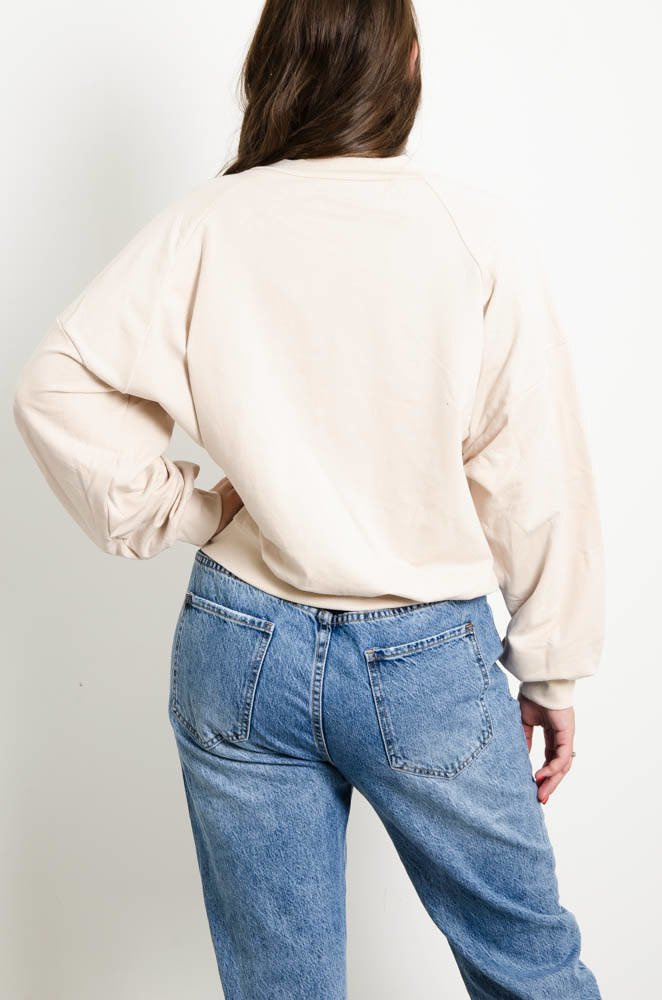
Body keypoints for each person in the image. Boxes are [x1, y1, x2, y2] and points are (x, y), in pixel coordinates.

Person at [12, 0, 605, 997]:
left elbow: (54, 386)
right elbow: (533, 467)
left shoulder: (210, 222)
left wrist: (195, 513)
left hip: (239, 642)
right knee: (528, 970)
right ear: (406, 62)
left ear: (276, 65)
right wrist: (551, 668)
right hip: (425, 657)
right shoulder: (473, 232)